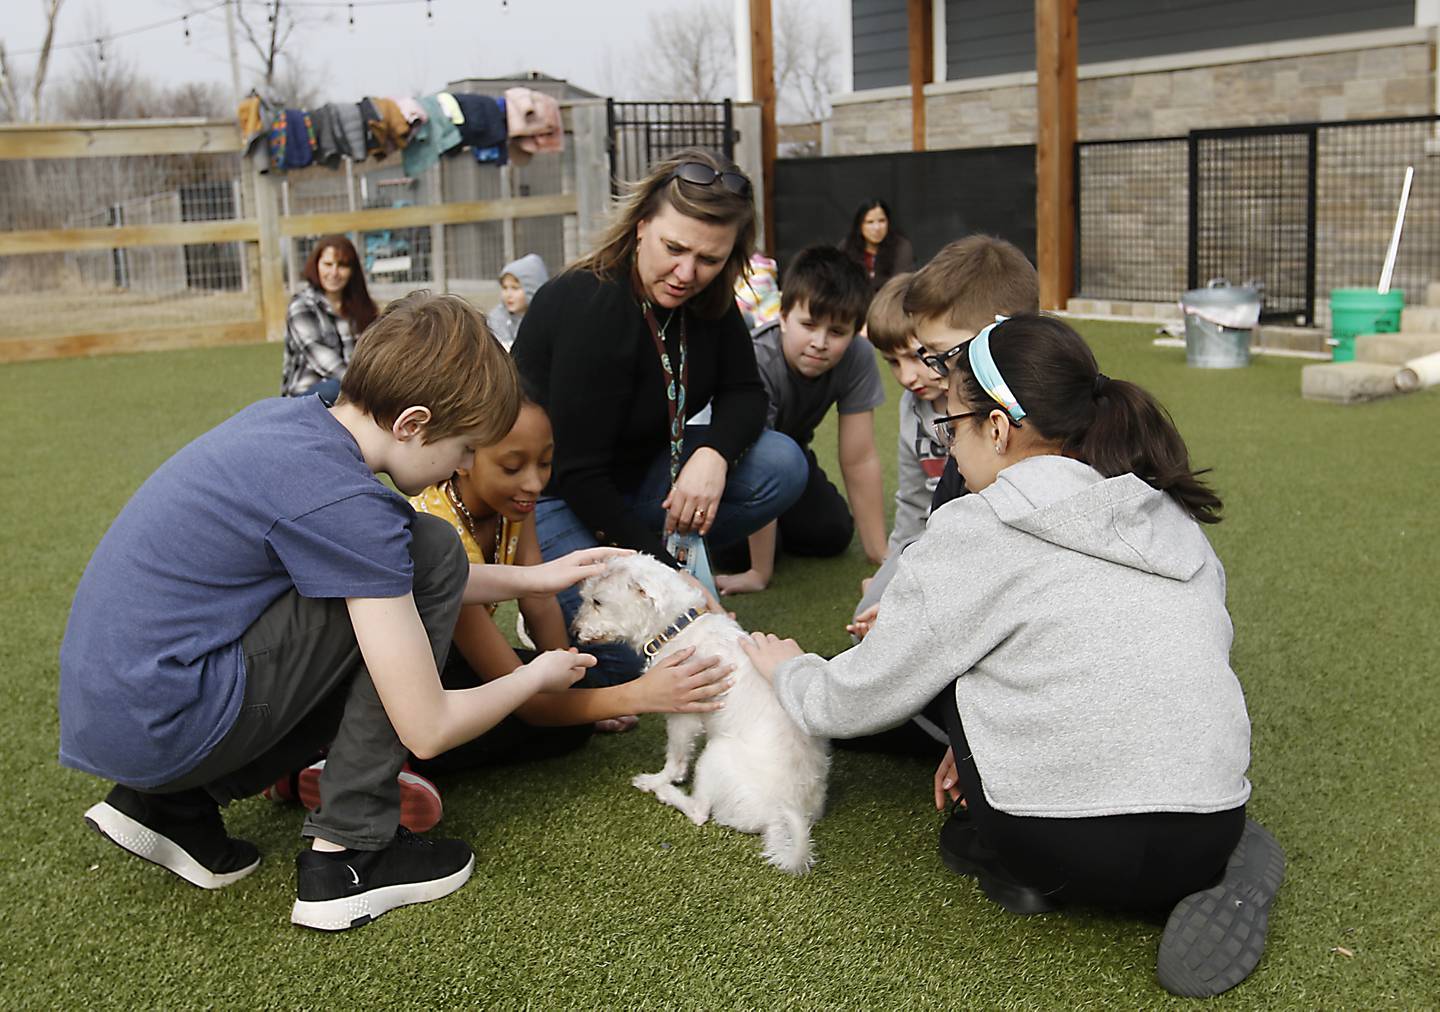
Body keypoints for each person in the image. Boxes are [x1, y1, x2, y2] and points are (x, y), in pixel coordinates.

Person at [742, 314, 1281, 999]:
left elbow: (851, 703)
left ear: (997, 429)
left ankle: (1019, 838)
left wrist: (788, 669)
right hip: (1210, 826)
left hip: (1049, 845)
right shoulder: (1165, 514)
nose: (950, 449)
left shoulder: (976, 524)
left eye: (952, 425)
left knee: (935, 649)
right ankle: (1204, 848)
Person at [62, 292, 625, 932]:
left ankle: (171, 806)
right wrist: (534, 675)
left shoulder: (295, 423)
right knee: (429, 547)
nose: (466, 465)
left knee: (413, 559)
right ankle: (349, 854)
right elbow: (429, 727)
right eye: (465, 447)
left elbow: (374, 568)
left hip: (126, 708)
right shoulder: (348, 507)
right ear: (413, 424)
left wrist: (532, 576)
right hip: (163, 716)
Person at [511, 147, 808, 685]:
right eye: (675, 248)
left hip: (641, 475)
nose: (687, 272)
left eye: (710, 259)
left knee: (781, 463)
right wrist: (673, 580)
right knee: (620, 664)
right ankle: (546, 596)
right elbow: (579, 473)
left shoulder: (710, 301)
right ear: (642, 225)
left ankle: (654, 549)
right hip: (553, 493)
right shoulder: (592, 305)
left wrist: (713, 455)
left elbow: (746, 393)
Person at [847, 234, 1038, 641]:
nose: (926, 373)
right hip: (945, 549)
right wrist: (895, 573)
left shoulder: (1039, 415)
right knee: (871, 625)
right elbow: (921, 513)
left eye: (936, 356)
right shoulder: (929, 417)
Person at [714, 245, 885, 596]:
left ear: (854, 332)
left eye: (837, 332)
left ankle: (779, 529)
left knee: (833, 533)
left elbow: (859, 457)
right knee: (732, 552)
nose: (819, 343)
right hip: (738, 466)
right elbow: (755, 462)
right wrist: (759, 572)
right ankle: (768, 541)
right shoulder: (758, 361)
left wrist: (880, 555)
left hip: (793, 456)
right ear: (782, 316)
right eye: (808, 325)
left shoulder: (858, 357)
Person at [281, 235, 379, 402]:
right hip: (306, 397)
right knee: (334, 388)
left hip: (354, 388)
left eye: (342, 266)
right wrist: (368, 388)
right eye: (328, 264)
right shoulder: (301, 306)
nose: (334, 273)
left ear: (352, 270)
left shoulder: (363, 308)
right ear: (316, 265)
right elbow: (324, 362)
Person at [838, 198, 913, 294]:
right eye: (870, 222)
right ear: (860, 225)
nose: (877, 228)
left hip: (888, 304)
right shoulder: (846, 247)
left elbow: (901, 287)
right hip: (854, 305)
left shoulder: (901, 247)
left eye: (882, 221)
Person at [486, 253, 549, 352]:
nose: (508, 294)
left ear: (532, 289)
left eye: (515, 288)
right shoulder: (497, 318)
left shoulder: (545, 318)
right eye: (504, 288)